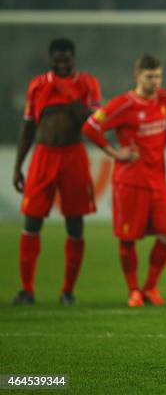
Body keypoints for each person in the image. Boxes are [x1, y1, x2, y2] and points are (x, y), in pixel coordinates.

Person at [82, 54, 166, 307]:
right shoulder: (123, 104)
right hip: (131, 181)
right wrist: (114, 153)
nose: (154, 82)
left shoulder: (164, 100)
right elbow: (91, 127)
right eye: (149, 77)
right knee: (128, 238)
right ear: (137, 76)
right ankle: (133, 290)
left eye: (157, 76)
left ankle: (150, 287)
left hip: (157, 181)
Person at [13, 38, 101, 306]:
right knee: (32, 221)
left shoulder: (87, 83)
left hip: (73, 155)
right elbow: (28, 127)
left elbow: (95, 122)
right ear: (50, 59)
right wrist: (18, 165)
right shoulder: (38, 85)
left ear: (73, 59)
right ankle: (27, 290)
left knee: (75, 222)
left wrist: (75, 103)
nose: (62, 64)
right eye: (57, 60)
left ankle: (67, 291)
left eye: (67, 59)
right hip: (43, 156)